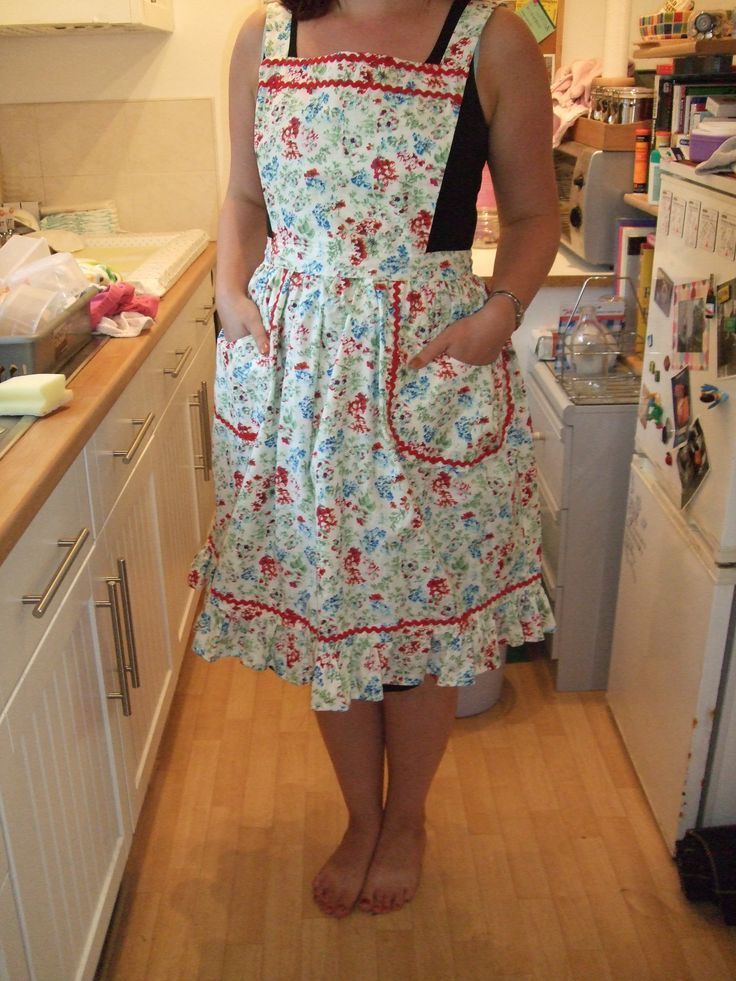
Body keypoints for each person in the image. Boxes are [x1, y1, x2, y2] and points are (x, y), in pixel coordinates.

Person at [189, 0, 559, 918]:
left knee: (422, 620)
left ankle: (407, 819)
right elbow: (244, 198)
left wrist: (496, 317)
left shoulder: (494, 37)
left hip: (424, 361)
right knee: (329, 616)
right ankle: (361, 816)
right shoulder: (262, 36)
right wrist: (233, 291)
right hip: (295, 376)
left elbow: (534, 213)